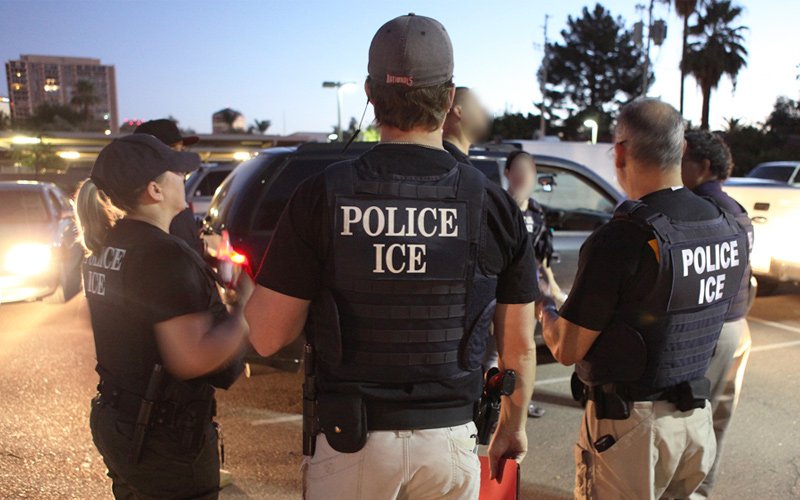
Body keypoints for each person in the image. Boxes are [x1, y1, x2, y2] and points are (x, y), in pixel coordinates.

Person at [244, 13, 538, 499]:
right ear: (448, 100)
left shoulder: (322, 194)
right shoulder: (492, 204)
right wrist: (513, 426)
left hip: (351, 444)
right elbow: (520, 346)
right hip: (450, 443)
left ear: (369, 93)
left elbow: (268, 334)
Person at [537, 98, 749, 499]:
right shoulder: (725, 225)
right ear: (681, 148)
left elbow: (567, 347)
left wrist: (545, 306)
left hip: (631, 428)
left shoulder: (624, 237)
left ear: (620, 152)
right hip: (693, 420)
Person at [77, 134, 249, 499]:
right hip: (163, 438)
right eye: (177, 173)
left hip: (121, 420)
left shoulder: (107, 247)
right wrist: (242, 313)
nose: (183, 178)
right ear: (155, 190)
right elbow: (190, 359)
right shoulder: (164, 256)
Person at [682, 130, 754, 499]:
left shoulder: (702, 209)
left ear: (704, 167)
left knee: (690, 420)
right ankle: (701, 492)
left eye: (683, 160)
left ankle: (685, 491)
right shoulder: (736, 209)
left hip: (711, 330)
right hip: (738, 325)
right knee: (717, 421)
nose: (677, 168)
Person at [504, 150, 556, 419]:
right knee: (493, 352)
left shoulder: (537, 213)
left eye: (530, 170)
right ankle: (489, 410)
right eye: (519, 169)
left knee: (524, 350)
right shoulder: (498, 205)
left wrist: (552, 287)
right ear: (507, 174)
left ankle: (520, 407)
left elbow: (542, 257)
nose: (524, 175)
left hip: (526, 293)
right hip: (497, 292)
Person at [134, 118, 204, 256]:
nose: (181, 161)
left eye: (181, 150)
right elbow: (185, 266)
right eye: (171, 150)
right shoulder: (165, 212)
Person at [442, 86, 491, 165]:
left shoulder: (441, 158)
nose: (483, 110)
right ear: (459, 111)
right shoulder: (458, 169)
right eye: (476, 105)